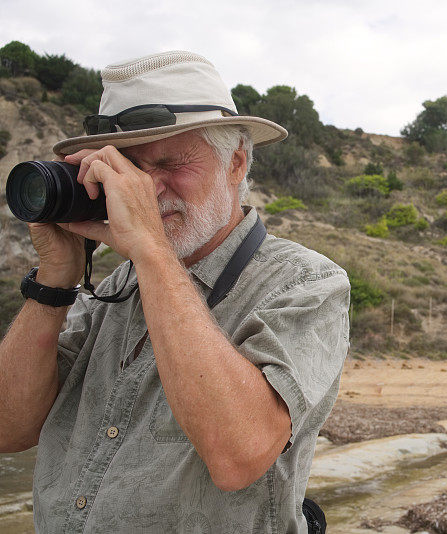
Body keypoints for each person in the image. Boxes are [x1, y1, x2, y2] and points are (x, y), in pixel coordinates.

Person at [0, 51, 349, 533]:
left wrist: (149, 250)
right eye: (131, 168)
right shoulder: (119, 284)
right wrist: (56, 277)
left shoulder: (306, 283)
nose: (148, 188)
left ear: (237, 162)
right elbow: (8, 427)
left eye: (172, 163)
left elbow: (237, 454)